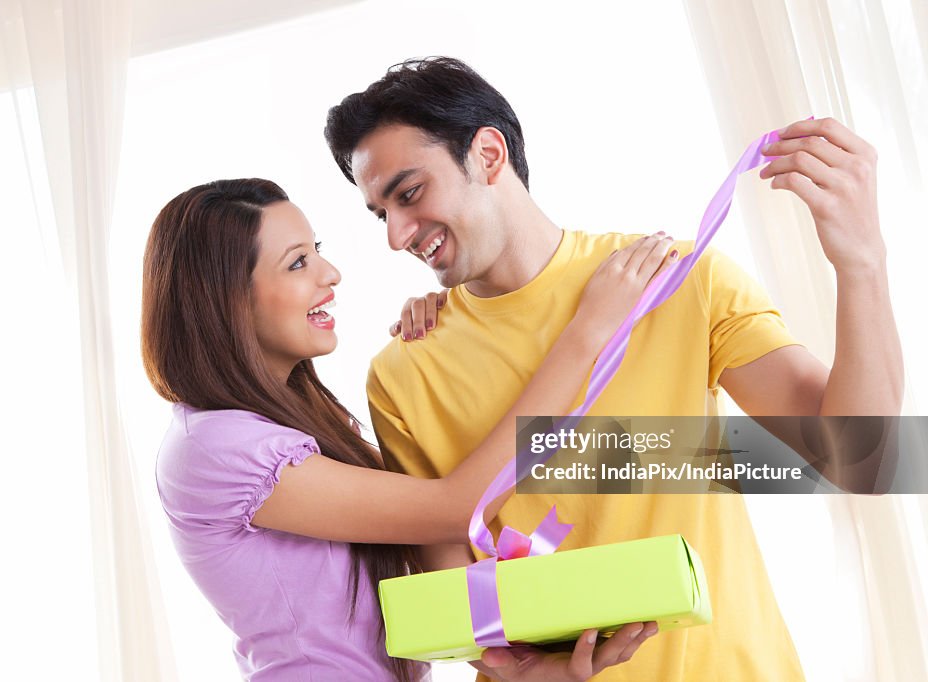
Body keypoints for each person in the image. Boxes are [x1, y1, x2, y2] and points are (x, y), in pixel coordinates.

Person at [324, 57, 903, 681]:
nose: (396, 235)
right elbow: (456, 600)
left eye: (408, 194)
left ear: (488, 154)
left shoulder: (676, 280)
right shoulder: (404, 372)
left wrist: (862, 262)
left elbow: (856, 458)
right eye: (381, 213)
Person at [141, 177, 680, 680]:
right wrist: (590, 329)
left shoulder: (277, 428)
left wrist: (513, 665)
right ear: (226, 299)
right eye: (298, 262)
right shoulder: (217, 449)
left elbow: (422, 559)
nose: (330, 275)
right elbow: (454, 510)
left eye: (318, 251)